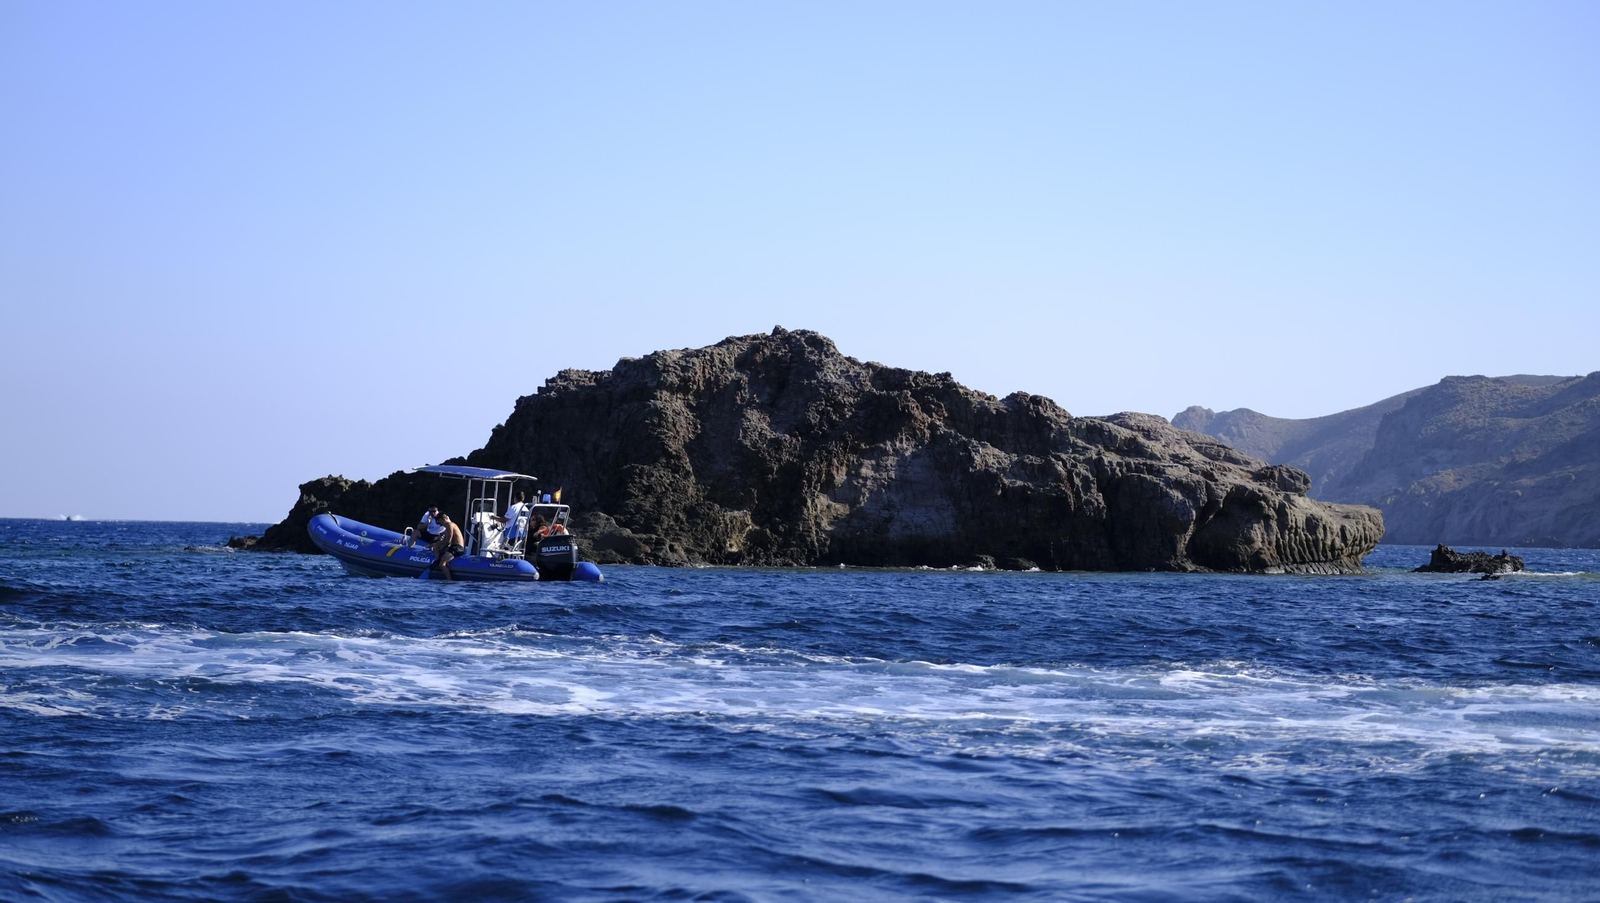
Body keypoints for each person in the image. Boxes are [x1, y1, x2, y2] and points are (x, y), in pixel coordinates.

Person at [432, 513, 467, 580]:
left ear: (442, 519)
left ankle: (449, 580)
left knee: (442, 564)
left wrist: (442, 549)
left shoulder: (449, 525)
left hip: (457, 548)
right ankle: (437, 560)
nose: (438, 524)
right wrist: (435, 546)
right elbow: (444, 541)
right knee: (436, 547)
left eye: (438, 521)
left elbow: (448, 540)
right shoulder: (447, 528)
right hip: (453, 547)